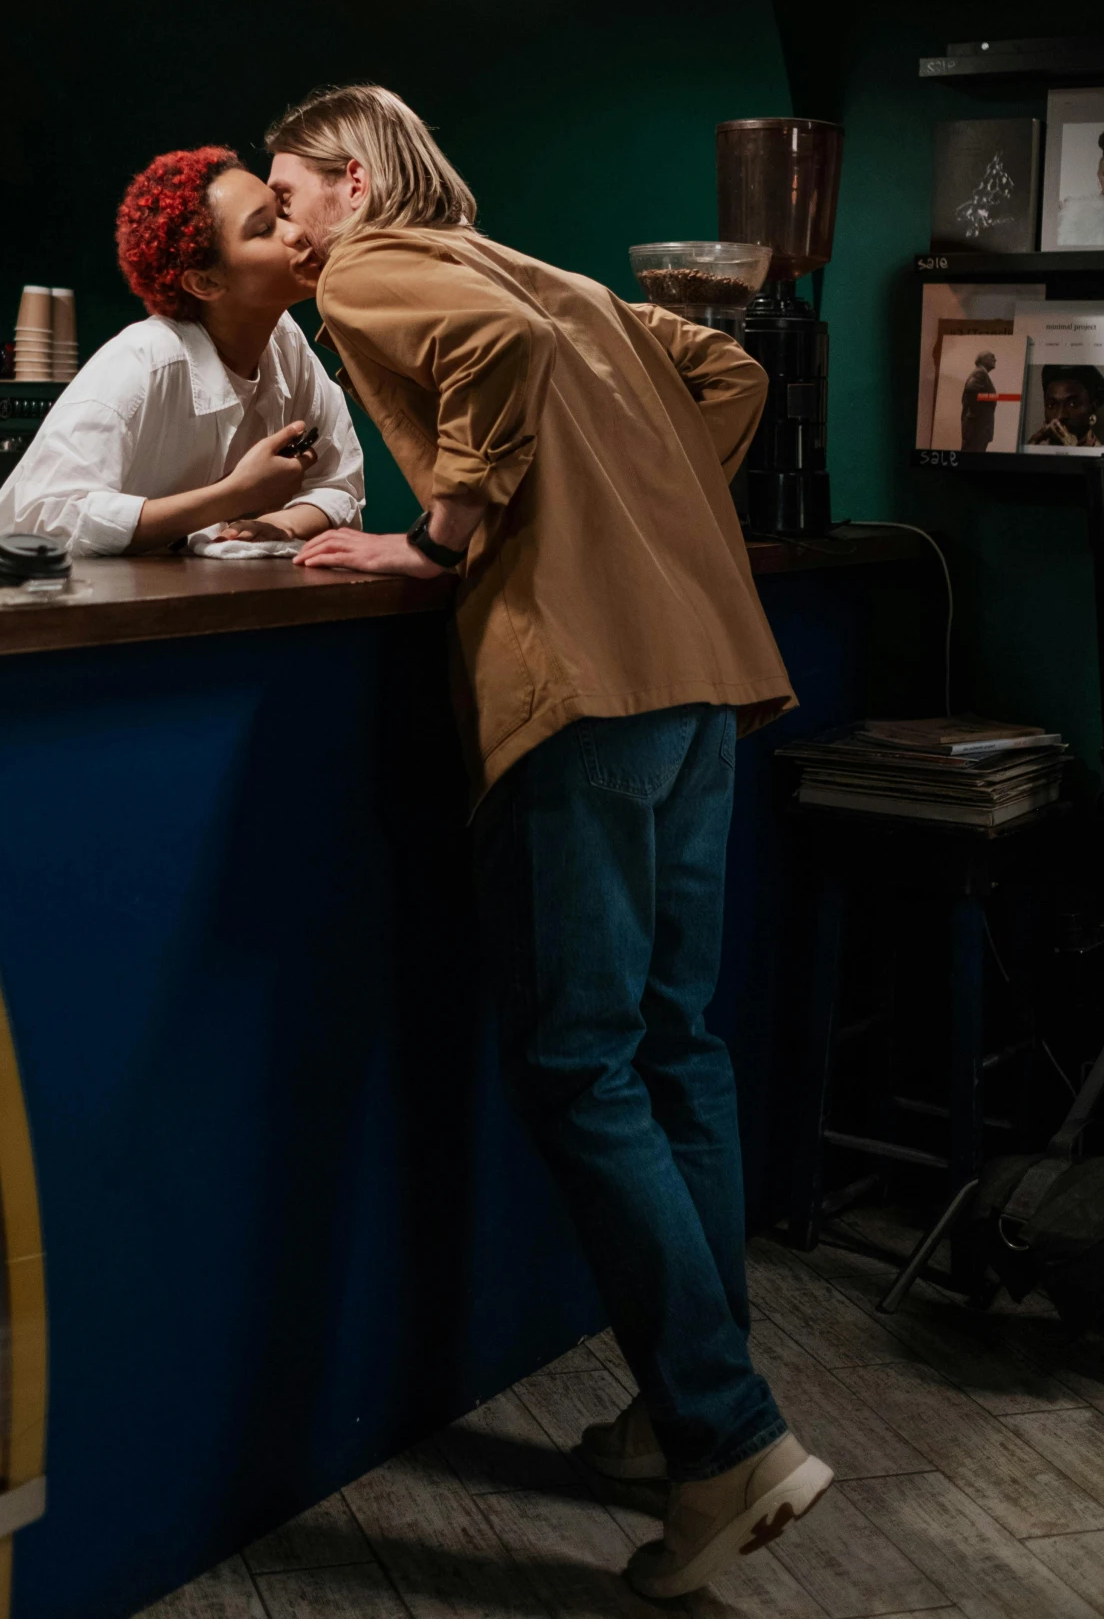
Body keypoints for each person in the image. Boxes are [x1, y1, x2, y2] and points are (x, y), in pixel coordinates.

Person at [265, 83, 831, 1602]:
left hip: (577, 689)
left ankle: (721, 1439)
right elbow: (720, 371)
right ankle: (674, 1413)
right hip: (699, 674)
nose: (284, 223)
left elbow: (493, 368)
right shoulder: (545, 268)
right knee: (672, 1048)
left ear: (346, 176)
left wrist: (441, 536)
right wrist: (617, 503)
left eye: (288, 191)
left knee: (581, 1065)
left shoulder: (373, 264)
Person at [0, 147, 364, 555]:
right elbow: (50, 519)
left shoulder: (286, 346)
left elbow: (339, 484)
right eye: (264, 228)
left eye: (282, 213)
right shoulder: (145, 361)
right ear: (205, 283)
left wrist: (277, 524)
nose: (296, 232)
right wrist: (233, 496)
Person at [1028, 362, 1104, 449]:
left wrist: (1073, 451)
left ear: (1093, 407)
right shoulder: (1035, 448)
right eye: (1051, 405)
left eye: (1072, 404)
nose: (1059, 416)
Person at [960, 348, 998, 452]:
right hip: (977, 429)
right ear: (982, 359)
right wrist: (974, 415)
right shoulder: (980, 373)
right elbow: (971, 390)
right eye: (992, 356)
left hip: (978, 429)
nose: (995, 359)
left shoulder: (981, 373)